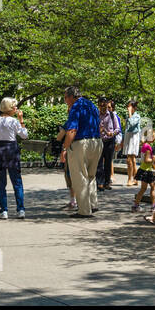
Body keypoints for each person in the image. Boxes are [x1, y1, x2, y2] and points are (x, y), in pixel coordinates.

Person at [60, 86, 102, 218]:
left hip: (81, 143)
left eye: (65, 97)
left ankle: (84, 210)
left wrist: (65, 148)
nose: (65, 100)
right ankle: (93, 204)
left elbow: (72, 131)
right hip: (96, 141)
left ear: (72, 96)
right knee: (91, 175)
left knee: (79, 176)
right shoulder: (91, 105)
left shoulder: (76, 106)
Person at [0, 98, 28, 220]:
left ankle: (4, 210)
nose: (16, 108)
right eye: (14, 106)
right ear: (10, 108)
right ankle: (20, 209)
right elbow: (24, 135)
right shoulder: (14, 121)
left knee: (1, 182)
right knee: (17, 182)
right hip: (11, 150)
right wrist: (21, 120)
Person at [97, 98, 120, 191]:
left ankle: (107, 182)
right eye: (100, 105)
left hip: (109, 141)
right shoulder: (96, 115)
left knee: (108, 162)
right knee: (99, 163)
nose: (102, 107)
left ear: (107, 105)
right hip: (100, 141)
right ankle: (100, 183)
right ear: (98, 105)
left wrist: (112, 133)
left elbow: (117, 129)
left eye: (104, 105)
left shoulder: (112, 115)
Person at [133, 130, 155, 212]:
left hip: (144, 169)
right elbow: (146, 160)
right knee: (152, 187)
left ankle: (136, 205)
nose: (154, 139)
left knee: (145, 188)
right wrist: (154, 159)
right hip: (146, 171)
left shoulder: (145, 145)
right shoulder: (148, 147)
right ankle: (153, 206)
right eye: (154, 137)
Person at [121, 100, 142, 187]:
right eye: (128, 107)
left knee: (129, 159)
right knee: (132, 160)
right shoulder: (128, 116)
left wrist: (130, 113)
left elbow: (132, 123)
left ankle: (130, 179)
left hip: (133, 138)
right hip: (128, 137)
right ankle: (136, 179)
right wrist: (122, 141)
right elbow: (126, 128)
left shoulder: (137, 116)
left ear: (134, 107)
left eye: (130, 107)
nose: (128, 108)